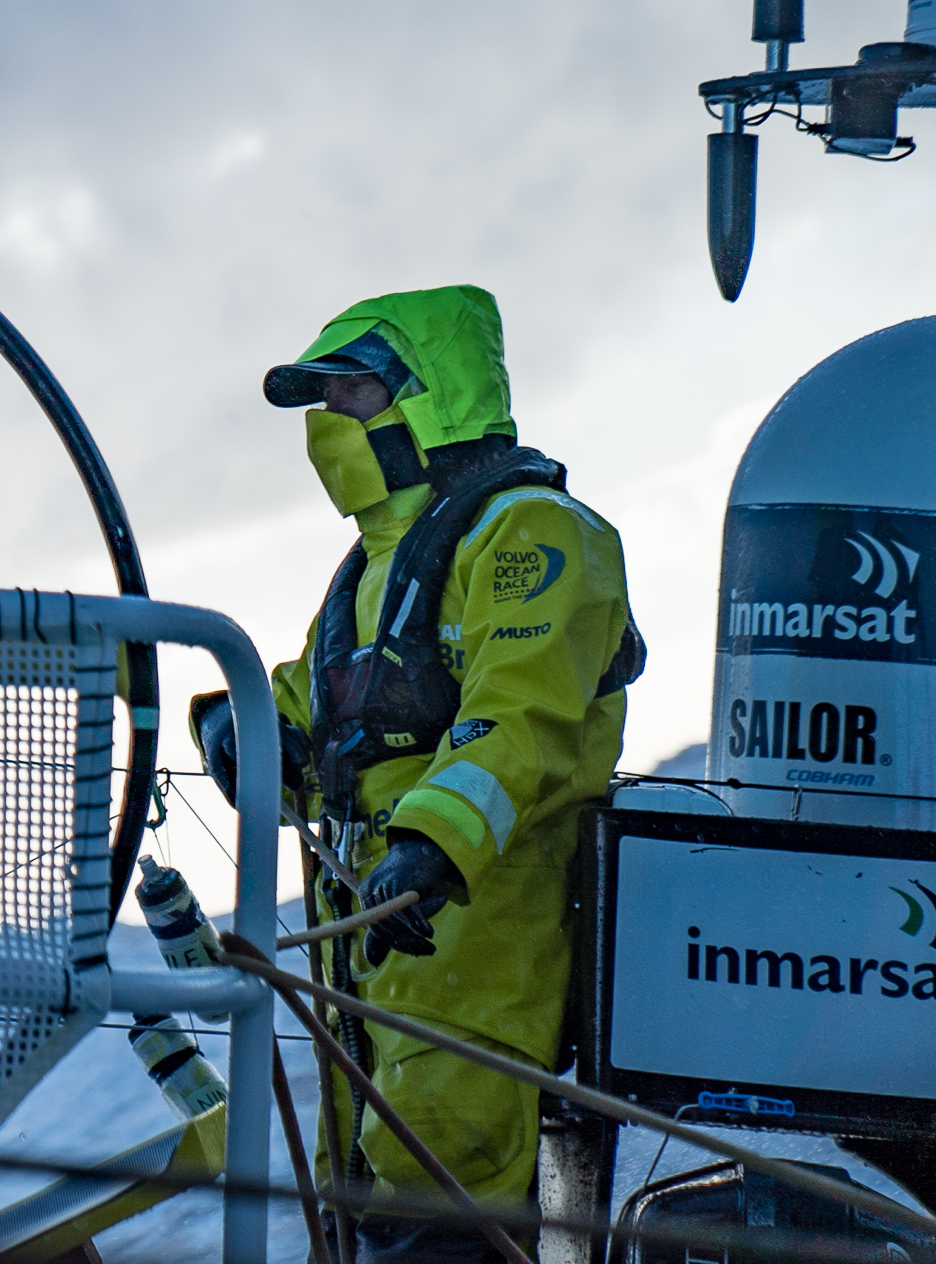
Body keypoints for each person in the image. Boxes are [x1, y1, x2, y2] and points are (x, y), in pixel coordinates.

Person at [191, 286, 641, 1262]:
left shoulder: (535, 535)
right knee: (365, 1183)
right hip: (376, 924)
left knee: (444, 1179)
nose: (328, 421)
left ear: (425, 398)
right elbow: (323, 708)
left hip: (478, 913)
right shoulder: (368, 569)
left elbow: (522, 716)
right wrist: (244, 724)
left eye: (349, 390)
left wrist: (429, 846)